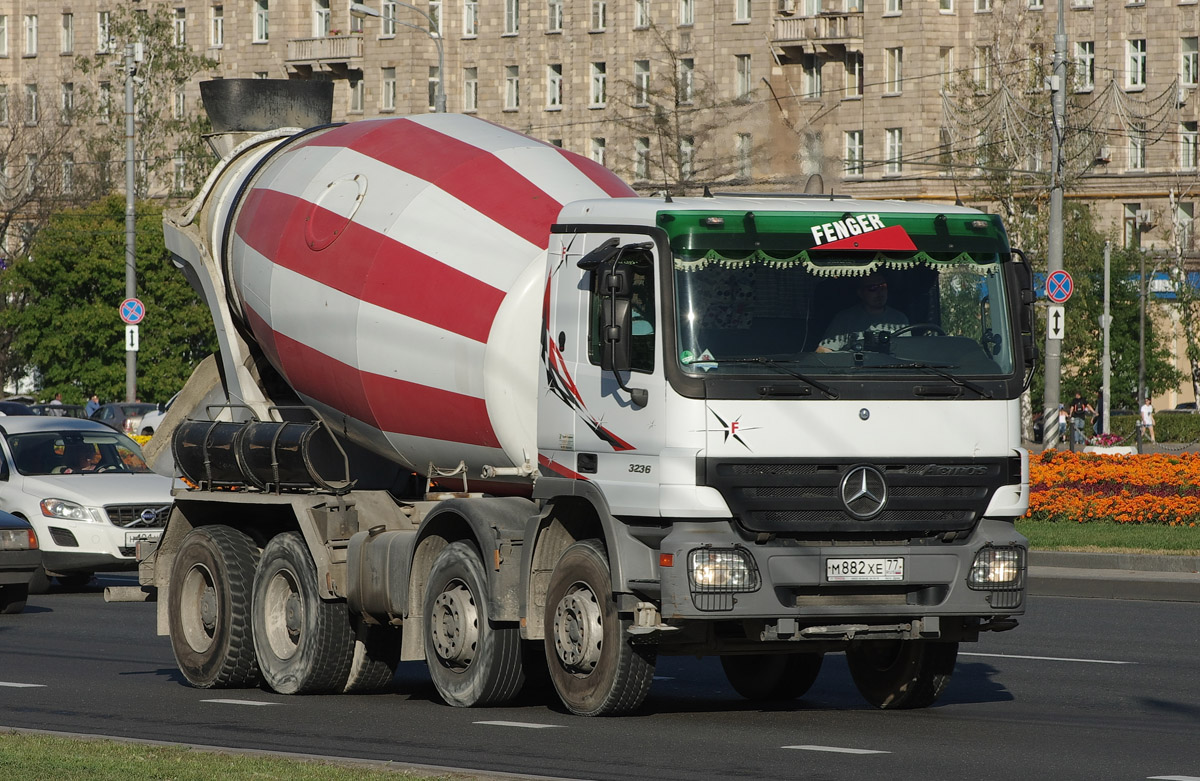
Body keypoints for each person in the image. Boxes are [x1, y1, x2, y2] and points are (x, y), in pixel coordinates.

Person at [818, 272, 909, 352]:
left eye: (883, 287)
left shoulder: (900, 319)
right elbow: (823, 350)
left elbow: (909, 351)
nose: (879, 292)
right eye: (872, 288)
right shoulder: (845, 319)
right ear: (860, 293)